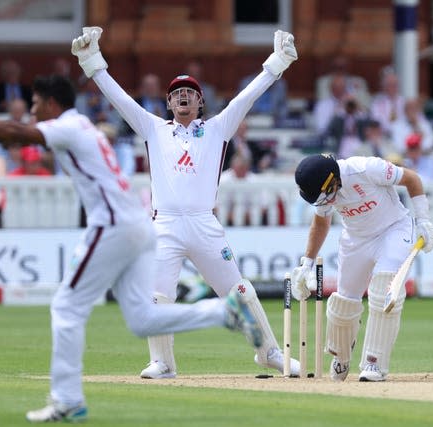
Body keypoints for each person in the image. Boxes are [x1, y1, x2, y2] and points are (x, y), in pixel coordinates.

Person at [0, 73, 263, 423]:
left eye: (35, 104)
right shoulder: (83, 126)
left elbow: (16, 134)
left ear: (51, 104)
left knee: (66, 306)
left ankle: (67, 400)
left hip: (113, 226)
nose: (31, 111)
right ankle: (223, 313)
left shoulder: (68, 127)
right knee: (142, 318)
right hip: (137, 224)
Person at [72, 26, 302, 379]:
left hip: (203, 224)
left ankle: (269, 351)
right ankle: (163, 363)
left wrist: (278, 61)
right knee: (158, 293)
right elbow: (120, 99)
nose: (183, 97)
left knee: (238, 289)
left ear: (200, 103)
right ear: (168, 103)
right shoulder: (153, 129)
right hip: (164, 225)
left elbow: (246, 98)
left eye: (189, 93)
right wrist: (92, 61)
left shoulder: (217, 128)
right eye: (176, 93)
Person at [290, 153, 433, 382]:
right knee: (343, 304)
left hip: (394, 230)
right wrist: (307, 263)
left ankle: (374, 362)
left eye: (326, 195)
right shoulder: (324, 189)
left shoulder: (366, 168)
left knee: (384, 292)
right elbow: (321, 222)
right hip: (355, 239)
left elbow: (412, 179)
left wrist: (423, 220)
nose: (326, 202)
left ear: (333, 180)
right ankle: (341, 355)